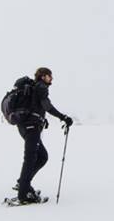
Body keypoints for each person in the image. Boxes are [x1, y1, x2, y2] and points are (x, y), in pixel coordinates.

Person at [14, 67, 72, 203]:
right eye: (49, 76)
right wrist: (63, 117)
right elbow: (47, 106)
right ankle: (23, 194)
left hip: (25, 127)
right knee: (30, 158)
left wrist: (42, 119)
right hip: (31, 128)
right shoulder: (40, 87)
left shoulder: (33, 89)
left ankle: (23, 183)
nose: (51, 78)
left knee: (42, 156)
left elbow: (38, 107)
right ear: (42, 76)